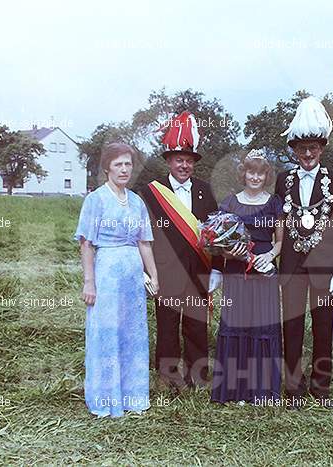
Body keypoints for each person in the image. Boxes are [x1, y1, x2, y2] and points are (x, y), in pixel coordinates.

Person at [274, 96, 333, 408]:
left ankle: (321, 389)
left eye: (314, 148)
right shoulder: (283, 180)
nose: (307, 154)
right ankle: (293, 389)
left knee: (322, 330)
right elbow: (277, 223)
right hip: (292, 267)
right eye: (302, 149)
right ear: (294, 149)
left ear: (322, 148)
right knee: (291, 328)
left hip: (325, 269)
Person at [139, 111, 224, 392]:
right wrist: (145, 271)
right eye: (179, 160)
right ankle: (167, 378)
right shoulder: (152, 192)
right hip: (164, 270)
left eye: (189, 161)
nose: (184, 165)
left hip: (199, 269)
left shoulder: (205, 190)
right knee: (167, 325)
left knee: (196, 325)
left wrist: (217, 269)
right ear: (169, 161)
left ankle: (197, 377)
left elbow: (217, 232)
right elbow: (143, 235)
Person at [74, 143, 159, 417]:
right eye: (118, 164)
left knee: (132, 333)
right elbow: (86, 244)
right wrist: (89, 282)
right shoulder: (95, 200)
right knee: (107, 333)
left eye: (128, 164)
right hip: (107, 272)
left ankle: (132, 397)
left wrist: (154, 276)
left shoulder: (136, 201)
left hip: (133, 274)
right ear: (107, 167)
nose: (124, 169)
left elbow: (145, 243)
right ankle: (107, 399)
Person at [211, 150, 284, 404]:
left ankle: (262, 392)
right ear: (244, 173)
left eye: (260, 173)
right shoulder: (230, 203)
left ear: (266, 175)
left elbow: (280, 241)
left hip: (263, 269)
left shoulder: (275, 202)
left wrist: (271, 255)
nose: (255, 177)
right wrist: (230, 252)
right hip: (236, 269)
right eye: (251, 172)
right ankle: (234, 391)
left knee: (263, 326)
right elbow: (216, 243)